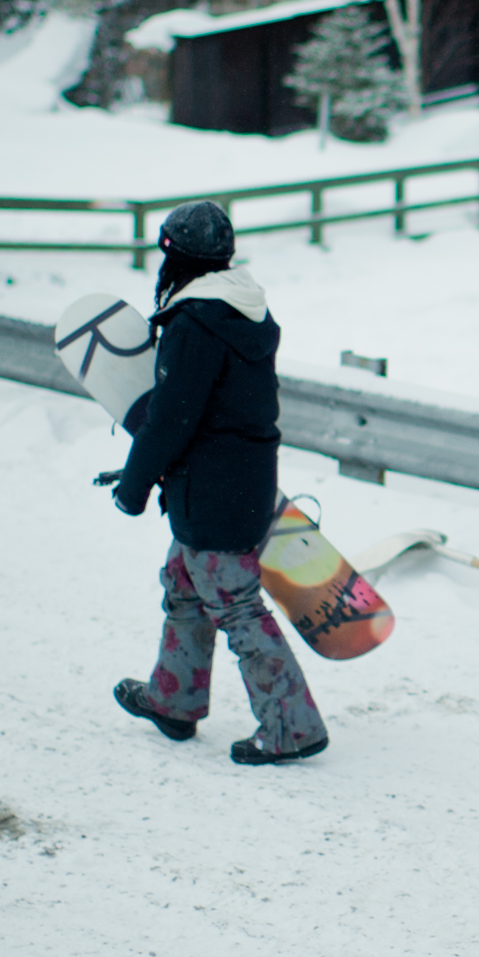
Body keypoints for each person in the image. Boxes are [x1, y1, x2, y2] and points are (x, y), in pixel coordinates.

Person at [107, 202, 329, 766]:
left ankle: (292, 727)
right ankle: (173, 701)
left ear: (176, 257)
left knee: (233, 605)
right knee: (185, 583)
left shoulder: (195, 323)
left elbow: (172, 419)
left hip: (210, 490)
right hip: (241, 481)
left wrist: (133, 488)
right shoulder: (243, 311)